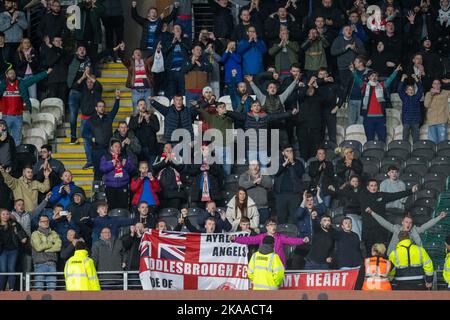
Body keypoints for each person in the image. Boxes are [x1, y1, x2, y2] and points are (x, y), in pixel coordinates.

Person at [350, 64, 401, 142]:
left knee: (382, 139)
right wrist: (353, 71)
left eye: (376, 76)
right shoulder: (364, 86)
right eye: (372, 76)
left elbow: (390, 79)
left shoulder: (381, 85)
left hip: (380, 117)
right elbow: (357, 79)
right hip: (368, 117)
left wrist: (396, 71)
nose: (374, 77)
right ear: (369, 77)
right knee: (370, 139)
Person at [0, 67, 51, 146]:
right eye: (10, 73)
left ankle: (15, 157)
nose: (12, 75)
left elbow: (34, 79)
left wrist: (45, 73)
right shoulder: (2, 85)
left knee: (17, 139)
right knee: (3, 138)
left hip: (18, 117)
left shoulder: (21, 84)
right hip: (6, 117)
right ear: (6, 75)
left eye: (13, 73)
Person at [232, 217, 309, 267]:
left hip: (278, 265)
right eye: (271, 225)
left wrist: (302, 240)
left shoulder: (280, 237)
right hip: (265, 264)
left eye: (275, 225)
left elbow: (291, 240)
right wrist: (235, 239)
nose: (273, 226)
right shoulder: (261, 237)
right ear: (267, 227)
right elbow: (249, 240)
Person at [367, 208, 447, 255]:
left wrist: (439, 217)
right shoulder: (396, 229)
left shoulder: (414, 230)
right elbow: (383, 222)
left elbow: (427, 225)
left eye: (410, 222)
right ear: (402, 223)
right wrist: (372, 213)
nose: (408, 224)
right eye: (406, 222)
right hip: (394, 256)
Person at [85, 90, 121, 180]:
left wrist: (117, 98)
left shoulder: (108, 117)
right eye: (99, 106)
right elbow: (84, 133)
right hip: (96, 150)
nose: (101, 108)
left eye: (103, 106)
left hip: (108, 150)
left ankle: (108, 190)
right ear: (96, 108)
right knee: (97, 171)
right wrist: (91, 137)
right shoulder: (90, 120)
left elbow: (115, 110)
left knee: (110, 171)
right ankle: (97, 192)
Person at [100, 138, 136, 210]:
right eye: (115, 146)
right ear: (111, 148)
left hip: (123, 186)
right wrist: (112, 164)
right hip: (110, 186)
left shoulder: (125, 157)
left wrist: (125, 165)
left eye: (119, 146)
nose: (118, 148)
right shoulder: (106, 157)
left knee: (123, 207)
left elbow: (133, 169)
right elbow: (102, 169)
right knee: (111, 207)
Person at [117, 43, 155, 110]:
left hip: (147, 91)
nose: (138, 53)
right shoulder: (130, 63)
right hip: (136, 91)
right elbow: (123, 59)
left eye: (139, 52)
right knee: (136, 111)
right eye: (136, 52)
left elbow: (153, 58)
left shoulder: (146, 61)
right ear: (133, 56)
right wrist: (122, 50)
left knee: (148, 111)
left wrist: (157, 50)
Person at [273, 145, 305, 224]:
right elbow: (275, 173)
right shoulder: (277, 162)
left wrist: (293, 163)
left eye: (291, 151)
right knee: (281, 219)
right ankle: (281, 236)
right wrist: (284, 164)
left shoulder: (298, 163)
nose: (290, 153)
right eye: (287, 151)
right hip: (281, 195)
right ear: (283, 152)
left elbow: (300, 173)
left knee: (295, 219)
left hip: (294, 195)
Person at [31, 215, 62, 291]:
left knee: (52, 289)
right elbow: (38, 247)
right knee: (39, 289)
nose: (45, 223)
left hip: (52, 264)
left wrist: (46, 249)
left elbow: (58, 247)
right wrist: (51, 243)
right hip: (39, 264)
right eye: (43, 221)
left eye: (47, 221)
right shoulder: (35, 234)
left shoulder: (54, 233)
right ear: (39, 223)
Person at [0, 208, 27, 291]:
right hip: (2, 251)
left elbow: (24, 239)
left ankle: (12, 289)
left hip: (13, 250)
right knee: (3, 270)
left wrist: (17, 232)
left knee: (11, 269)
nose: (5, 216)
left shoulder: (14, 224)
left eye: (7, 214)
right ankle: (1, 290)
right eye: (3, 214)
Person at [238, 160, 272, 226]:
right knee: (250, 228)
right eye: (253, 165)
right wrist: (253, 182)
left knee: (264, 228)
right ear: (249, 166)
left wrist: (261, 182)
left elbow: (270, 184)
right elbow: (241, 185)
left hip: (263, 208)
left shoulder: (264, 175)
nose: (255, 167)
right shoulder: (244, 175)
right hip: (249, 208)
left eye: (257, 165)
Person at [152, 143, 185, 209]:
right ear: (163, 150)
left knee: (174, 212)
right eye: (166, 148)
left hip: (175, 192)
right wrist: (165, 161)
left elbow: (180, 166)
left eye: (170, 148)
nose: (169, 149)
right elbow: (154, 167)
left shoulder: (178, 157)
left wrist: (171, 160)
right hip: (162, 191)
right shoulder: (159, 157)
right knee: (163, 214)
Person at [128, 99, 160, 166]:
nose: (143, 106)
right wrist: (138, 123)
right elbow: (130, 130)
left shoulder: (153, 116)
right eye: (141, 104)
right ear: (137, 107)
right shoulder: (133, 118)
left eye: (144, 104)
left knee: (152, 168)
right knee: (140, 169)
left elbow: (157, 128)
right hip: (139, 149)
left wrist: (148, 121)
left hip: (151, 148)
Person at [397, 74, 423, 142]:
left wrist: (416, 79)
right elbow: (399, 90)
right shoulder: (404, 98)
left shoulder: (417, 97)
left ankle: (416, 151)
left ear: (414, 91)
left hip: (416, 121)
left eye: (412, 89)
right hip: (406, 121)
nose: (411, 91)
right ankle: (405, 151)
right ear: (406, 91)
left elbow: (420, 89)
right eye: (409, 89)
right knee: (405, 139)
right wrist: (402, 78)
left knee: (416, 139)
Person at [424, 79, 450, 144]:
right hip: (432, 122)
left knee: (442, 143)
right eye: (435, 84)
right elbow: (426, 105)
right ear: (432, 85)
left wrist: (448, 82)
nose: (436, 85)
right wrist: (431, 95)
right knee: (432, 143)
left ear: (440, 85)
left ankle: (442, 154)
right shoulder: (428, 94)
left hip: (442, 121)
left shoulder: (445, 93)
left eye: (438, 84)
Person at [121, 223, 145, 288]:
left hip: (144, 269)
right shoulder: (130, 237)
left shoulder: (146, 238)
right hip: (132, 268)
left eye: (141, 227)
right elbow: (126, 246)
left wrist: (140, 236)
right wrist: (132, 234)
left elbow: (145, 247)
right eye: (137, 227)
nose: (139, 228)